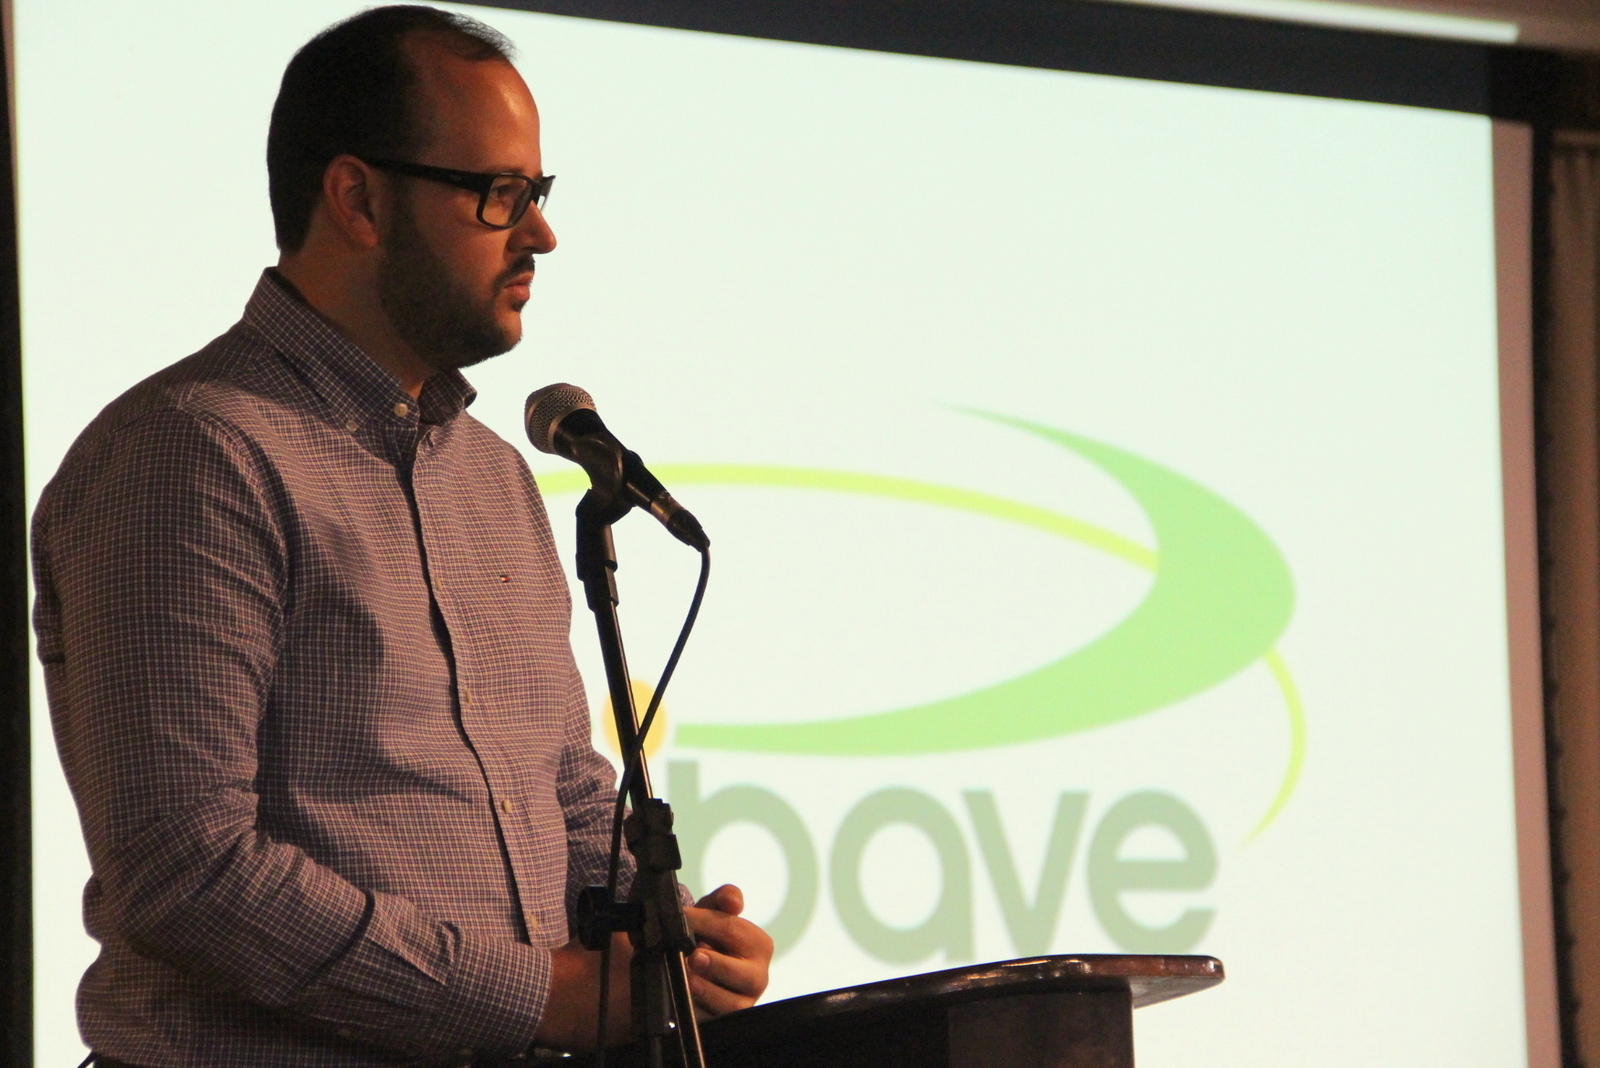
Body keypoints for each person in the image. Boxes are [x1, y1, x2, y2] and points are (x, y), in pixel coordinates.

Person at [30, 7, 772, 1066]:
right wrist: (543, 998)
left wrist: (666, 941)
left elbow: (562, 789)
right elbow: (185, 868)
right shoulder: (193, 453)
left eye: (540, 192)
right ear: (358, 199)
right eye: (500, 193)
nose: (541, 234)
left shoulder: (495, 477)